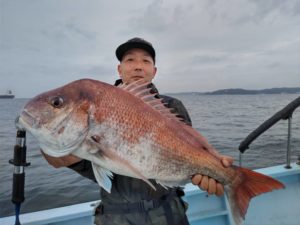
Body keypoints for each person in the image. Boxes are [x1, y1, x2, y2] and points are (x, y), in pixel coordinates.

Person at [43, 37, 233, 225]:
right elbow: (56, 159)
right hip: (116, 216)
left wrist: (210, 167)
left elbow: (192, 152)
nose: (138, 66)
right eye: (130, 60)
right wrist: (85, 139)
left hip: (169, 213)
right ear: (119, 68)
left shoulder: (173, 106)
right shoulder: (97, 106)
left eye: (146, 61)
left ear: (154, 70)